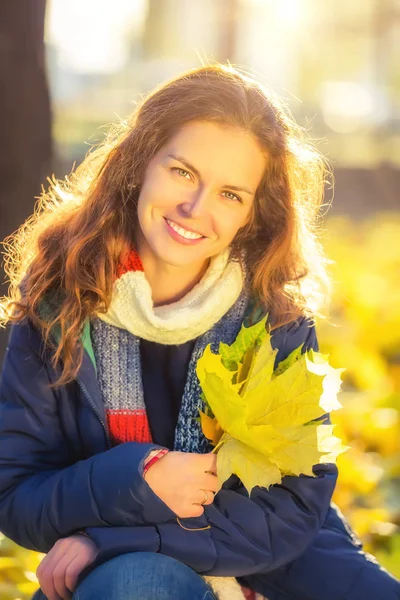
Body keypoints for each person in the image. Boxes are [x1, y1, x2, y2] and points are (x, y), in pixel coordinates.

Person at [0, 64, 398, 600]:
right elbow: (15, 491)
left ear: (252, 215)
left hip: (284, 567)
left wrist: (112, 536)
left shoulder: (276, 319)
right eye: (183, 172)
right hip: (133, 578)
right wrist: (136, 480)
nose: (195, 208)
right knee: (136, 583)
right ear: (140, 163)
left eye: (230, 194)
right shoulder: (60, 301)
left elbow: (296, 506)